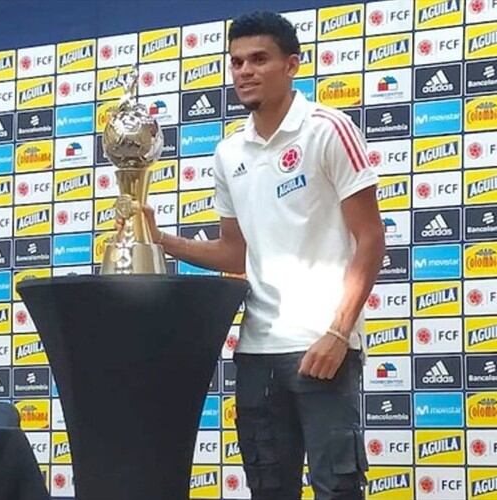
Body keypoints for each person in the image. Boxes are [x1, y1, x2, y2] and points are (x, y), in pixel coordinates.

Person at [119, 11, 385, 500]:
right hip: (257, 352)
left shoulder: (329, 129)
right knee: (267, 490)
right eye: (237, 61)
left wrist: (337, 332)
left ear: (292, 64)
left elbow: (371, 240)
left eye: (259, 59)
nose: (245, 71)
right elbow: (233, 252)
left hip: (322, 346)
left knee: (338, 488)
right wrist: (160, 240)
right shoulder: (229, 152)